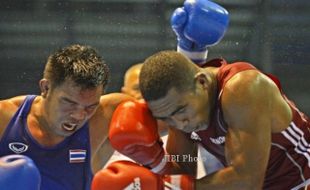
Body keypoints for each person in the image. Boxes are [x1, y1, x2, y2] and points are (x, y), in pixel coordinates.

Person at [137, 49, 310, 189]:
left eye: (181, 110)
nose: (179, 123)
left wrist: (168, 185)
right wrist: (153, 163)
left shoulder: (243, 88)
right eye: (167, 118)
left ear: (202, 82)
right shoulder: (179, 112)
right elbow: (182, 173)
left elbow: (246, 181)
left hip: (303, 179)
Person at [0, 44, 132, 190]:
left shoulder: (105, 115)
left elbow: (160, 111)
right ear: (46, 88)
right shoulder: (4, 118)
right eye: (69, 103)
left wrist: (159, 165)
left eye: (90, 106)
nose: (79, 115)